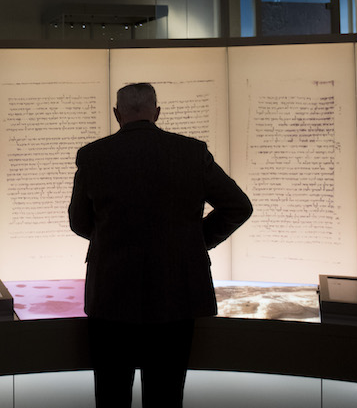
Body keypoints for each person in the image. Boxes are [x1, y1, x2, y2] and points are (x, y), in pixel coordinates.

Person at [68, 82, 253, 408]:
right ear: (156, 112)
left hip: (111, 294)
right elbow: (238, 206)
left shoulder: (93, 155)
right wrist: (195, 242)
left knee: (111, 395)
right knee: (166, 397)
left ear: (117, 114)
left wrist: (111, 240)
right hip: (176, 294)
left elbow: (79, 222)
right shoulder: (191, 153)